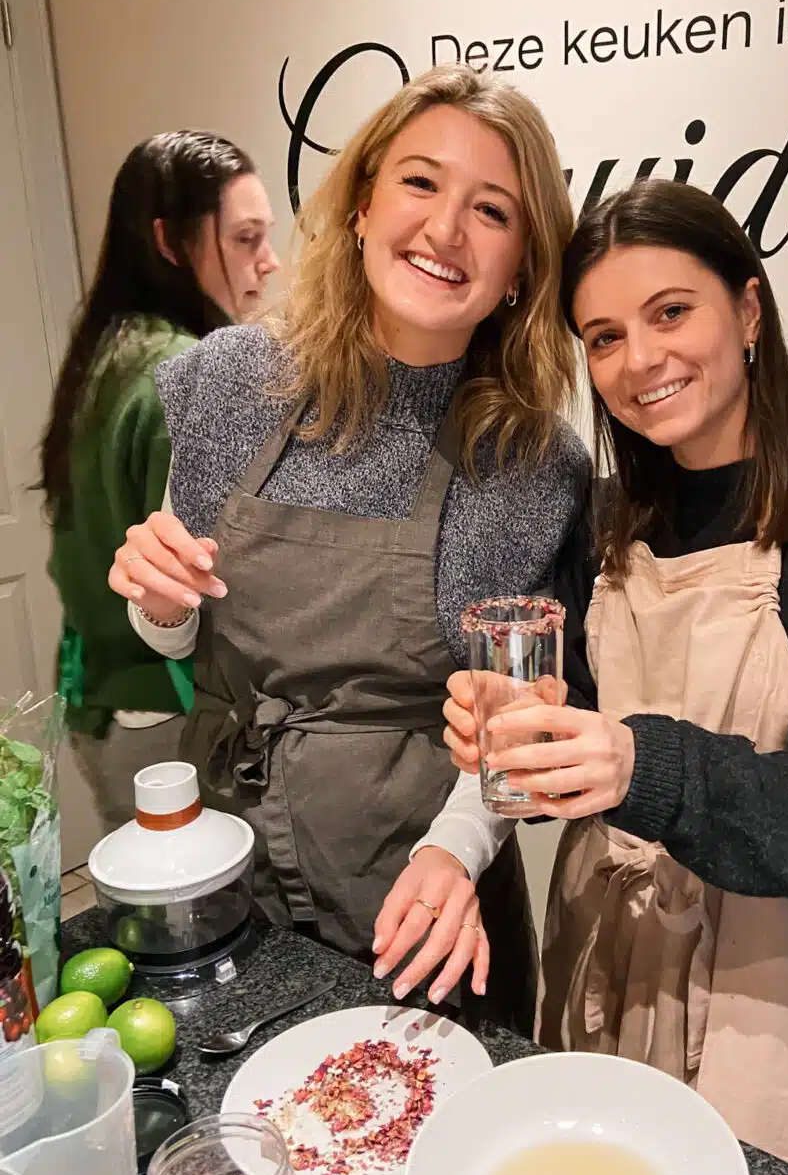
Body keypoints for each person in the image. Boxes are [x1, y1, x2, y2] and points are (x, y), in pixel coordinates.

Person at [440, 178, 788, 1175]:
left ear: (749, 309)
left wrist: (646, 767)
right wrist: (520, 742)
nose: (640, 360)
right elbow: (576, 737)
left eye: (671, 312)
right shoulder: (603, 520)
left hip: (776, 989)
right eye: (604, 336)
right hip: (603, 949)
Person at [108, 67, 590, 1035]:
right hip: (225, 867)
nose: (445, 229)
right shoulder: (228, 382)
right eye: (420, 182)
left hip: (422, 904)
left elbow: (510, 733)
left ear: (523, 266)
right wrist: (155, 598)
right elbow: (175, 629)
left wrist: (454, 853)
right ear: (364, 204)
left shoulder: (532, 464)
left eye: (491, 210)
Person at [42, 131, 278, 833]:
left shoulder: (107, 353)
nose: (269, 261)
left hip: (101, 704)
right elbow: (213, 590)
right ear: (170, 242)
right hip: (170, 721)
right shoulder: (186, 376)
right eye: (245, 239)